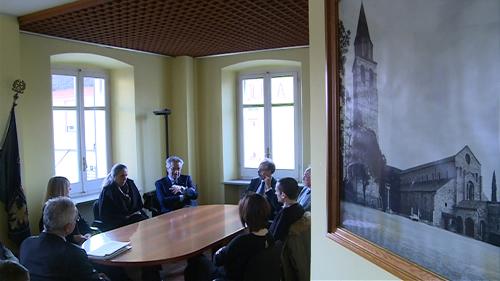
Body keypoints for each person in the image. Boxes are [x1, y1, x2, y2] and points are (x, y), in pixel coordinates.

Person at [184, 193, 278, 281]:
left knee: (195, 259)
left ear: (246, 216)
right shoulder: (270, 237)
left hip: (228, 277)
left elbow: (217, 260)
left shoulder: (241, 242)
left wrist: (224, 249)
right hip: (252, 275)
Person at [20, 197, 107, 281]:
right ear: (68, 228)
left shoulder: (26, 244)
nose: (76, 222)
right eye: (75, 220)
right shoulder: (74, 254)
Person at [39, 176, 92, 245]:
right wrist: (73, 238)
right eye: (68, 187)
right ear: (61, 189)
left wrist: (87, 234)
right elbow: (50, 235)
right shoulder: (49, 210)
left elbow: (83, 223)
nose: (70, 189)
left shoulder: (70, 206)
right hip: (63, 246)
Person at [98, 163, 147, 230]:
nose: (125, 178)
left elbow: (138, 203)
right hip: (118, 223)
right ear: (114, 177)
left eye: (126, 175)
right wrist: (127, 217)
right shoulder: (108, 190)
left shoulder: (130, 184)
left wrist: (135, 214)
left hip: (134, 219)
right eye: (122, 176)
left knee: (146, 222)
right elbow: (105, 216)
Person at [269, 177, 305, 242]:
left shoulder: (285, 214)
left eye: (276, 191)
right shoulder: (299, 208)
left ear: (283, 195)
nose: (275, 193)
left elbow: (274, 237)